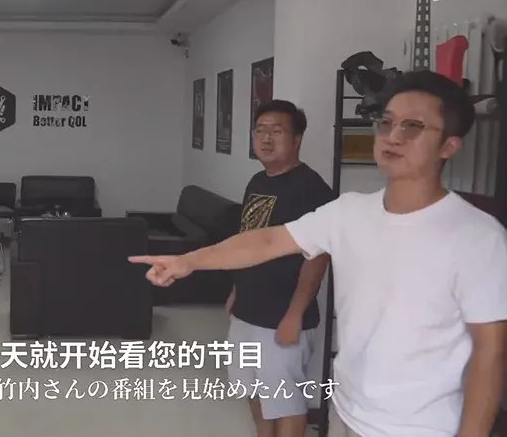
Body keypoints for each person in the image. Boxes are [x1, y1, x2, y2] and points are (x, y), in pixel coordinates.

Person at [131, 71, 507, 437]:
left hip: (422, 427)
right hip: (347, 412)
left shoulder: (478, 237)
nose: (392, 136)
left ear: (448, 146)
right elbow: (264, 242)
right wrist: (187, 262)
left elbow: (490, 354)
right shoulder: (349, 211)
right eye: (386, 122)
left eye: (413, 127)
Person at [226, 100, 335, 437]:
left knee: (285, 400)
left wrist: (294, 314)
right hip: (248, 310)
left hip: (283, 316)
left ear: (297, 138)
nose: (266, 138)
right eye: (260, 130)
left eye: (276, 131)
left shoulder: (311, 188)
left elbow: (318, 257)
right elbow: (248, 242)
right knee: (250, 388)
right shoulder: (257, 181)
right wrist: (236, 291)